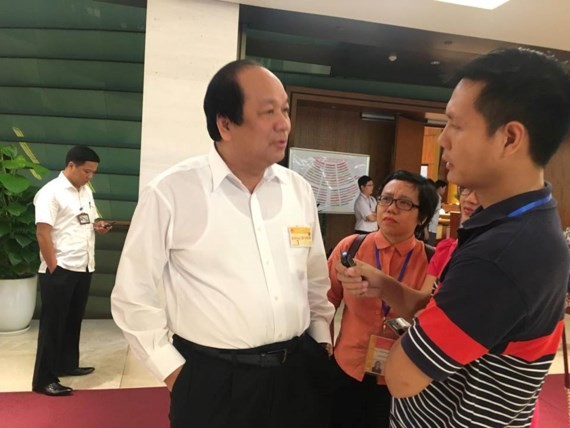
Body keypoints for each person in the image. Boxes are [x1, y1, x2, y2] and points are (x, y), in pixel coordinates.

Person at [335, 48, 570, 427]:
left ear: (510, 138)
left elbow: (401, 378)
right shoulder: (522, 223)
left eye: (455, 125)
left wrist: (407, 340)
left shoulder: (502, 254)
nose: (443, 139)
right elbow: (445, 312)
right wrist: (387, 286)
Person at [111, 59, 335, 428]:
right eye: (268, 112)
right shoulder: (172, 193)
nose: (283, 123)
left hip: (297, 372)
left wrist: (321, 340)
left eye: (284, 109)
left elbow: (313, 278)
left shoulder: (299, 190)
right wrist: (175, 374)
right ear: (225, 124)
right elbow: (133, 295)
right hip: (214, 381)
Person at [327, 170, 438, 428]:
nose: (391, 208)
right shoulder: (350, 248)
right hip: (347, 369)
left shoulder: (433, 263)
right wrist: (324, 348)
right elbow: (325, 301)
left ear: (421, 217)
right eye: (386, 199)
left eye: (404, 203)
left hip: (403, 378)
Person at [32, 145, 112, 397]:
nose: (90, 176)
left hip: (84, 264)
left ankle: (67, 364)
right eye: (86, 171)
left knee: (72, 320)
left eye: (93, 173)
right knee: (53, 325)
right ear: (71, 166)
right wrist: (53, 266)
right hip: (61, 268)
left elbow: (88, 219)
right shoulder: (50, 193)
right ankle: (43, 379)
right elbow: (42, 233)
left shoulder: (85, 191)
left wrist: (99, 225)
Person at [420, 185, 480, 293]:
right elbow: (423, 298)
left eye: (481, 191)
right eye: (466, 188)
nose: (470, 199)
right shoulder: (446, 249)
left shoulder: (492, 256)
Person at [427, 179, 447, 245]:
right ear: (440, 187)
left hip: (431, 227)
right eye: (444, 188)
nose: (444, 191)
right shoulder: (436, 197)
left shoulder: (436, 197)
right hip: (430, 228)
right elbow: (430, 213)